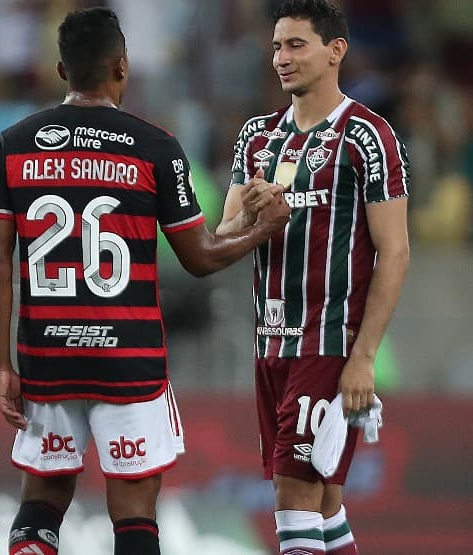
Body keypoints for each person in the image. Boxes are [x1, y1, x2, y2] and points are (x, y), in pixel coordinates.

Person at [0, 8, 290, 555]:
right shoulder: (154, 146)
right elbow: (200, 257)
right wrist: (262, 229)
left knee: (43, 498)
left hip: (47, 355)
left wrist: (1, 365)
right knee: (134, 511)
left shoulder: (13, 145)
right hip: (128, 358)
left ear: (61, 70)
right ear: (122, 67)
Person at [215, 2, 411, 554]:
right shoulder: (257, 137)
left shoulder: (367, 136)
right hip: (270, 343)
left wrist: (364, 357)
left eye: (297, 45)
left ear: (335, 51)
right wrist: (252, 215)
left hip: (327, 344)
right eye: (277, 46)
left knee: (293, 495)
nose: (282, 57)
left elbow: (395, 252)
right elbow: (223, 234)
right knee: (323, 504)